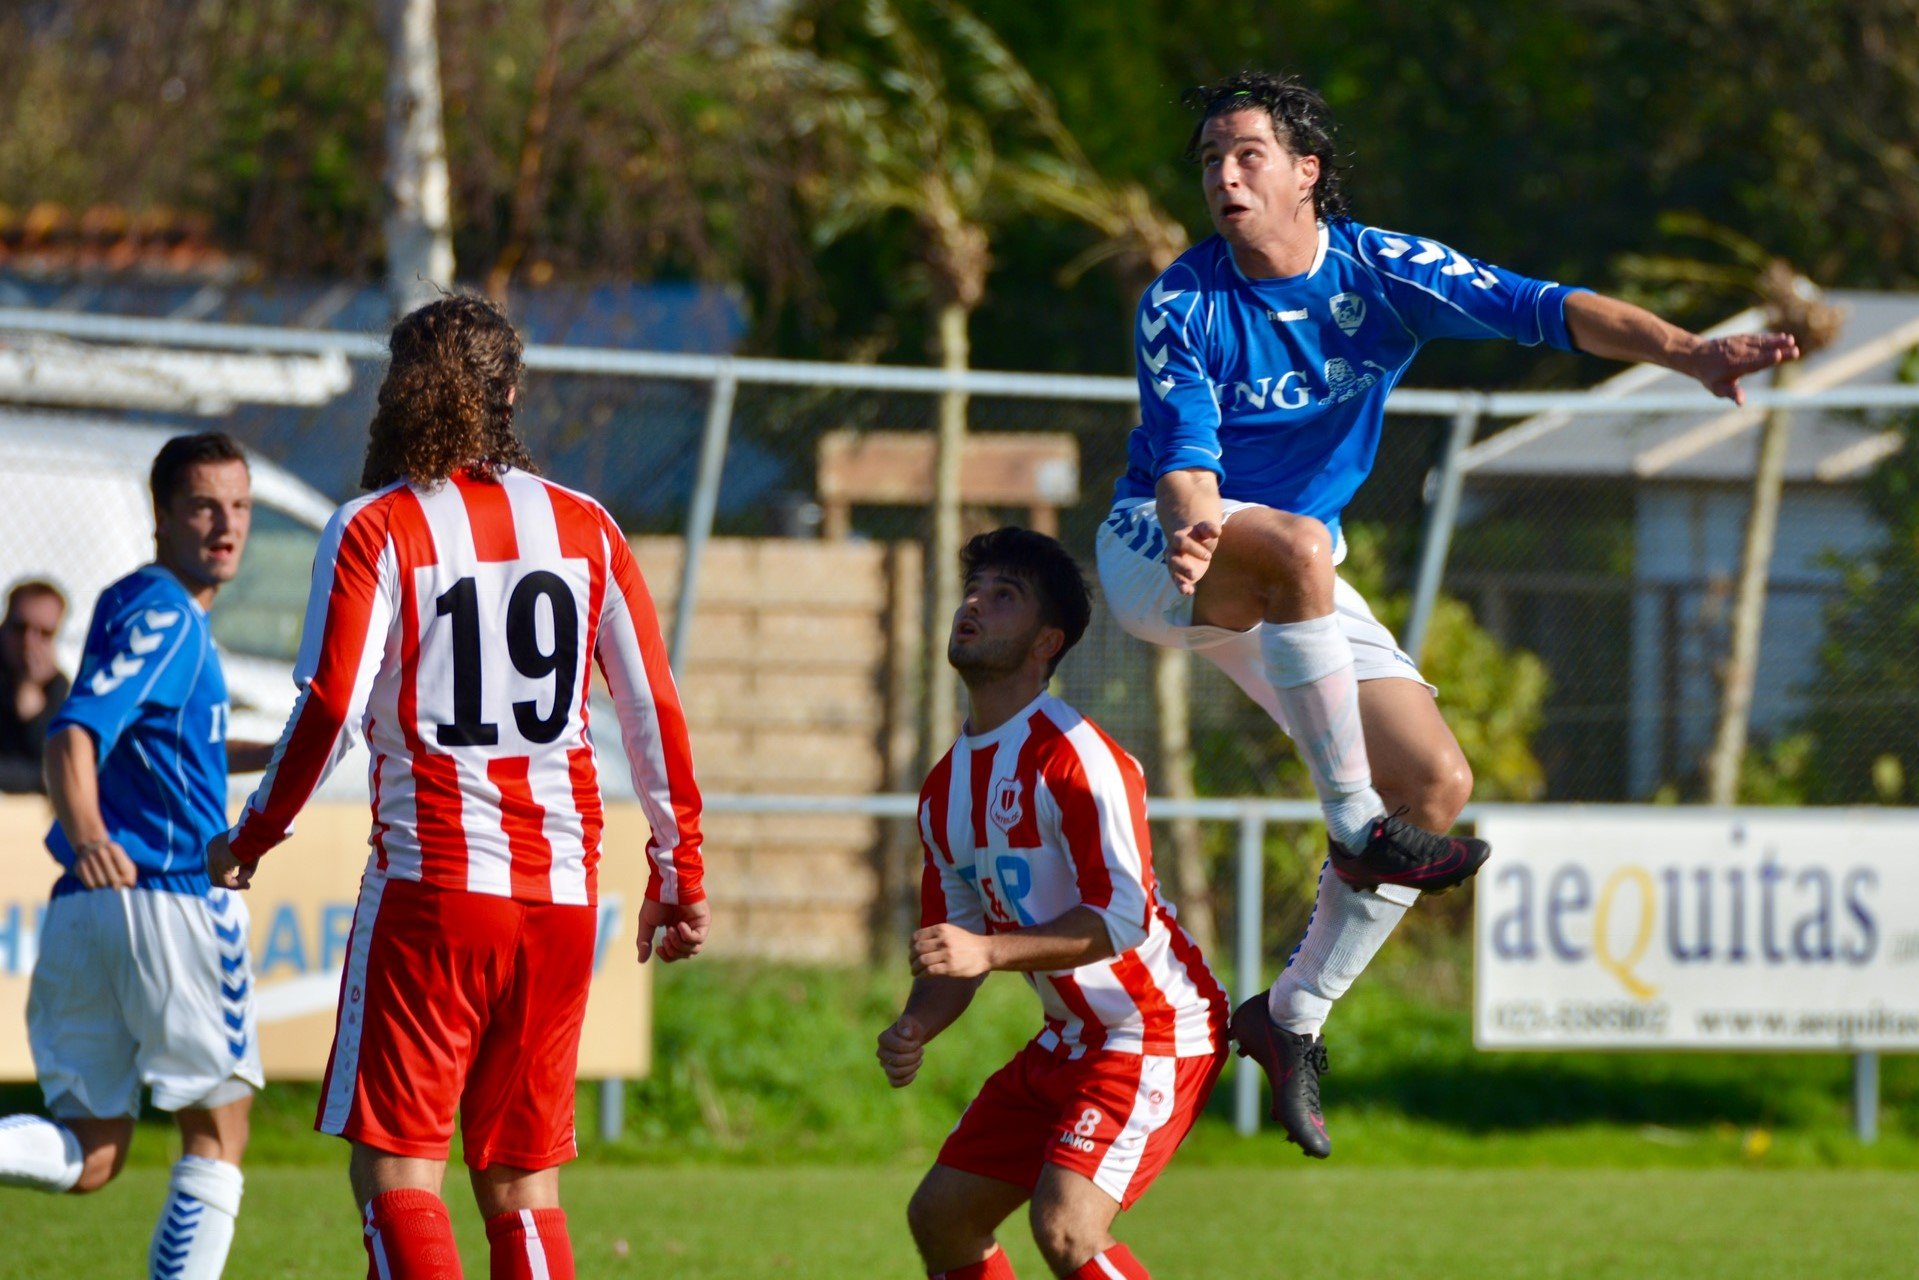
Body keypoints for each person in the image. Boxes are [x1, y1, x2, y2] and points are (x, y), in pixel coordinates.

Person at [1098, 71, 1800, 1159]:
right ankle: (1351, 825)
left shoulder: (1382, 270)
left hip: (1290, 568)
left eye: (1244, 154)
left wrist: (1684, 350)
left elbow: (1546, 308)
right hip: (1160, 550)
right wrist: (1194, 524)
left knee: (1434, 782)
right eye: (1207, 161)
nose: (1222, 176)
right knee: (1291, 554)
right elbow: (1186, 468)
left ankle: (1289, 1016)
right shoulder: (1182, 301)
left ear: (1304, 172)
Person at [206, 294, 708, 1280]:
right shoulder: (587, 526)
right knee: (522, 1187)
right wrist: (678, 869)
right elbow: (651, 710)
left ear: (396, 390)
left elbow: (329, 710)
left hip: (435, 890)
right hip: (562, 897)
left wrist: (252, 836)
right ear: (512, 393)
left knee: (398, 1173)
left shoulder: (376, 523)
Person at [879, 527, 1228, 1280]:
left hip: (1153, 1030)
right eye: (974, 590)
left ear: (1047, 642)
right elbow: (958, 945)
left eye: (1003, 596)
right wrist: (917, 1021)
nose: (973, 603)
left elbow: (1121, 918)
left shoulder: (1077, 755)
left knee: (1067, 1228)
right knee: (942, 1217)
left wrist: (988, 952)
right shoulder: (944, 790)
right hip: (1067, 1038)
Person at [0, 433, 273, 1280]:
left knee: (92, 1155)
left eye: (238, 507)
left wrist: (291, 748)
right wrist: (88, 833)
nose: (225, 526)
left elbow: (163, 743)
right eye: (202, 506)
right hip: (167, 896)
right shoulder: (169, 617)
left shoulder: (135, 604)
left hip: (87, 913)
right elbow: (73, 734)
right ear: (160, 515)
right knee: (217, 1135)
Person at [0, 579, 70, 793]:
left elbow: (49, 765)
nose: (29, 642)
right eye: (20, 628)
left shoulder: (55, 685)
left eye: (44, 634)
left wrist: (30, 695)